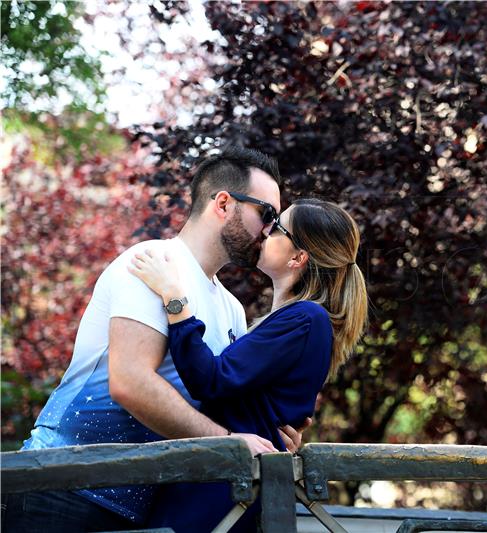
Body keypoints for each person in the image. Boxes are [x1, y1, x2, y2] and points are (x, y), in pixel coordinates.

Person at [3, 147, 308, 533]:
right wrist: (229, 443)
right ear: (224, 204)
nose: (270, 229)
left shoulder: (232, 309)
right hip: (61, 489)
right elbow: (129, 383)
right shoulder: (153, 262)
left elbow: (221, 402)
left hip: (143, 508)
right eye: (266, 214)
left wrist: (271, 431)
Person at [129, 198, 368, 532]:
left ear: (299, 258)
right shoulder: (298, 320)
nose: (265, 231)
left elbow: (210, 380)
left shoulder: (306, 318)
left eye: (278, 228)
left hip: (219, 495)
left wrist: (173, 296)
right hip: (223, 485)